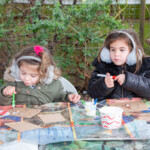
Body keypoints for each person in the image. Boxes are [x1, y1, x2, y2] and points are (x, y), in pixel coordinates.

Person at [0, 45, 80, 106]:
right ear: (17, 69)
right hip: (18, 120)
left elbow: (60, 97)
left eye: (33, 76)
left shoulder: (53, 84)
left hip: (43, 122)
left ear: (44, 73)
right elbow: (3, 104)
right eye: (23, 73)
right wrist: (5, 94)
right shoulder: (13, 82)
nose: (27, 78)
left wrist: (69, 97)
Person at [88, 29, 150, 100]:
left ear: (132, 52)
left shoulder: (144, 67)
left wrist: (129, 81)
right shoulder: (103, 68)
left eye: (122, 50)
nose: (116, 54)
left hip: (137, 109)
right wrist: (104, 85)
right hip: (111, 110)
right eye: (113, 50)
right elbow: (92, 93)